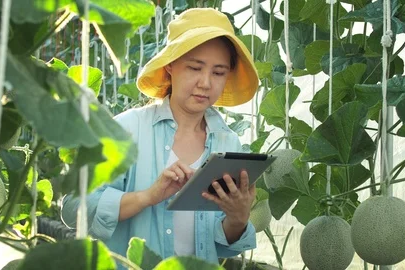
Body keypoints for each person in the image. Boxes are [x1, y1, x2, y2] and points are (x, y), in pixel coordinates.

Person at [61, 7, 260, 266]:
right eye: (195, 68)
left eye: (218, 72)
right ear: (170, 66)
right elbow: (74, 206)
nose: (206, 83)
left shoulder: (228, 143)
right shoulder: (127, 130)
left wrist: (238, 218)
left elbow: (222, 246)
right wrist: (148, 196)